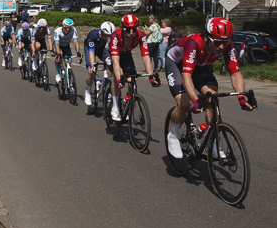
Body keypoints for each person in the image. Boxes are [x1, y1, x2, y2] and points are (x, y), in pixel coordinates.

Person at [165, 17, 254, 159]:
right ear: (206, 37)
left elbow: (235, 73)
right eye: (218, 42)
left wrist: (241, 98)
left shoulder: (226, 46)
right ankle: (174, 134)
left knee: (212, 98)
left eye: (225, 42)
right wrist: (195, 100)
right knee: (185, 103)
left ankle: (211, 142)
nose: (221, 47)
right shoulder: (193, 43)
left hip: (200, 66)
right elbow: (186, 76)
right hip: (177, 64)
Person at [105, 13, 160, 122]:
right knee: (118, 76)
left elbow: (146, 58)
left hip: (126, 54)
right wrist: (119, 78)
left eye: (134, 29)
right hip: (111, 53)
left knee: (132, 81)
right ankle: (115, 107)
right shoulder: (115, 36)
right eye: (128, 29)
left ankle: (126, 102)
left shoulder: (141, 36)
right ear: (123, 28)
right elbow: (116, 61)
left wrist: (151, 77)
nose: (131, 32)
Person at [83, 21, 115, 107]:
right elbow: (91, 53)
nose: (109, 38)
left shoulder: (109, 38)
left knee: (109, 65)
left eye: (110, 36)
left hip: (102, 50)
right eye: (107, 36)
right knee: (91, 72)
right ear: (102, 33)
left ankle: (108, 88)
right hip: (90, 49)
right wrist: (93, 66)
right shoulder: (93, 35)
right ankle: (88, 91)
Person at [53, 18, 82, 84]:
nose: (68, 30)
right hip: (58, 45)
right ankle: (57, 73)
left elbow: (75, 42)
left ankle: (69, 83)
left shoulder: (73, 30)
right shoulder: (57, 31)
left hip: (66, 46)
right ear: (63, 26)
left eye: (69, 28)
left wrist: (78, 52)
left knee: (69, 63)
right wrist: (58, 55)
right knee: (59, 56)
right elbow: (56, 44)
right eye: (66, 28)